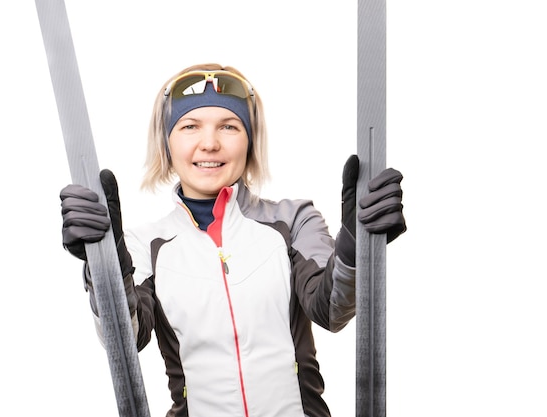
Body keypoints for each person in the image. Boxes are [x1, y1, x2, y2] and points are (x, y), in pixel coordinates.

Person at [59, 63, 406, 417]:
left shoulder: (293, 220)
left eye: (228, 126)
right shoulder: (145, 244)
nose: (209, 143)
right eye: (190, 126)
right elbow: (127, 339)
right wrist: (104, 264)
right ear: (167, 142)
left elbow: (332, 309)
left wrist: (357, 243)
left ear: (250, 139)